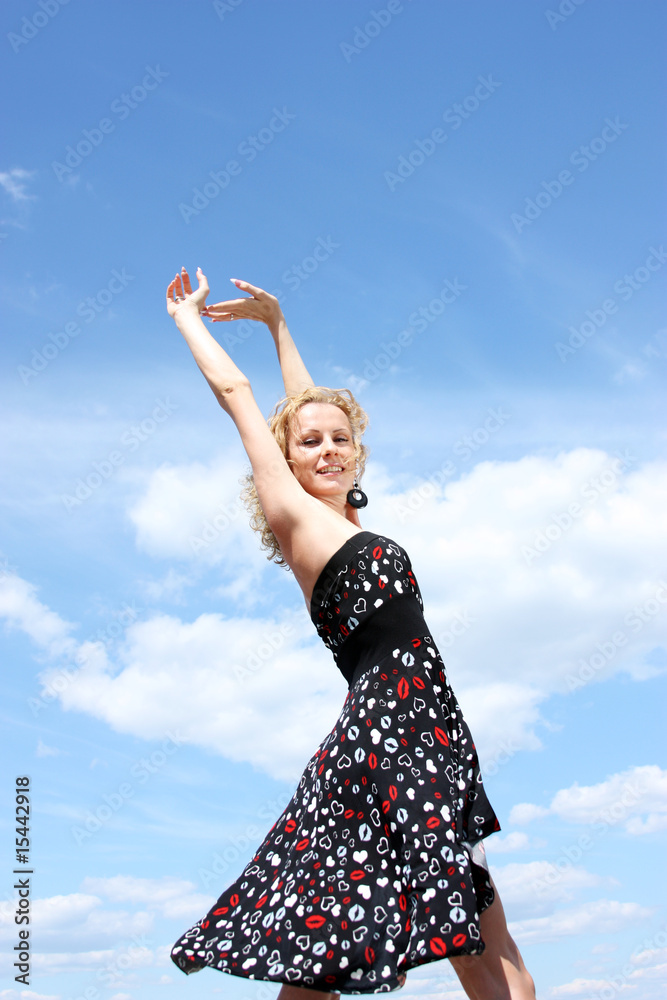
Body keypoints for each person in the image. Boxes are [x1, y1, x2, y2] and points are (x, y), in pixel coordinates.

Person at [166, 267, 536, 1000]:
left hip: (427, 734)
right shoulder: (298, 522)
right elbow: (244, 401)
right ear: (285, 463)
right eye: (310, 445)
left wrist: (280, 328)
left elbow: (313, 412)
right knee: (429, 942)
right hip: (385, 739)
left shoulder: (347, 522)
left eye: (342, 440)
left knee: (450, 941)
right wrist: (188, 320)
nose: (330, 448)